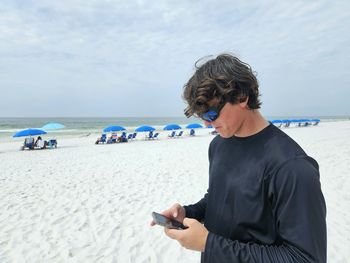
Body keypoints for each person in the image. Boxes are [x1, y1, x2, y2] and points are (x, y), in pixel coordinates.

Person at [151, 54, 327, 262]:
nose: (207, 124)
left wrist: (209, 244)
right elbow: (220, 198)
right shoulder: (218, 145)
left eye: (211, 114)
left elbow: (305, 258)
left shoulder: (292, 167)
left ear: (242, 97)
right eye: (202, 116)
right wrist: (189, 213)